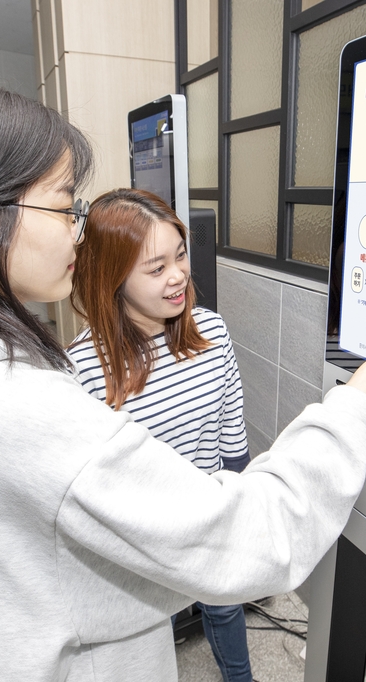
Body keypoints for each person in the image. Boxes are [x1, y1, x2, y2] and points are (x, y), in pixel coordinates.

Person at [0, 77, 366, 682]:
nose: (76, 229)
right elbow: (246, 537)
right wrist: (345, 414)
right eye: (64, 205)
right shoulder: (18, 407)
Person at [68, 188, 252, 681]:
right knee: (150, 627)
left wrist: (238, 507)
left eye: (181, 255)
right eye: (155, 268)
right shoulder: (83, 367)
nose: (178, 276)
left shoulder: (212, 333)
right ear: (113, 277)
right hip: (141, 539)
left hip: (211, 517)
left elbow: (231, 433)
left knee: (225, 607)